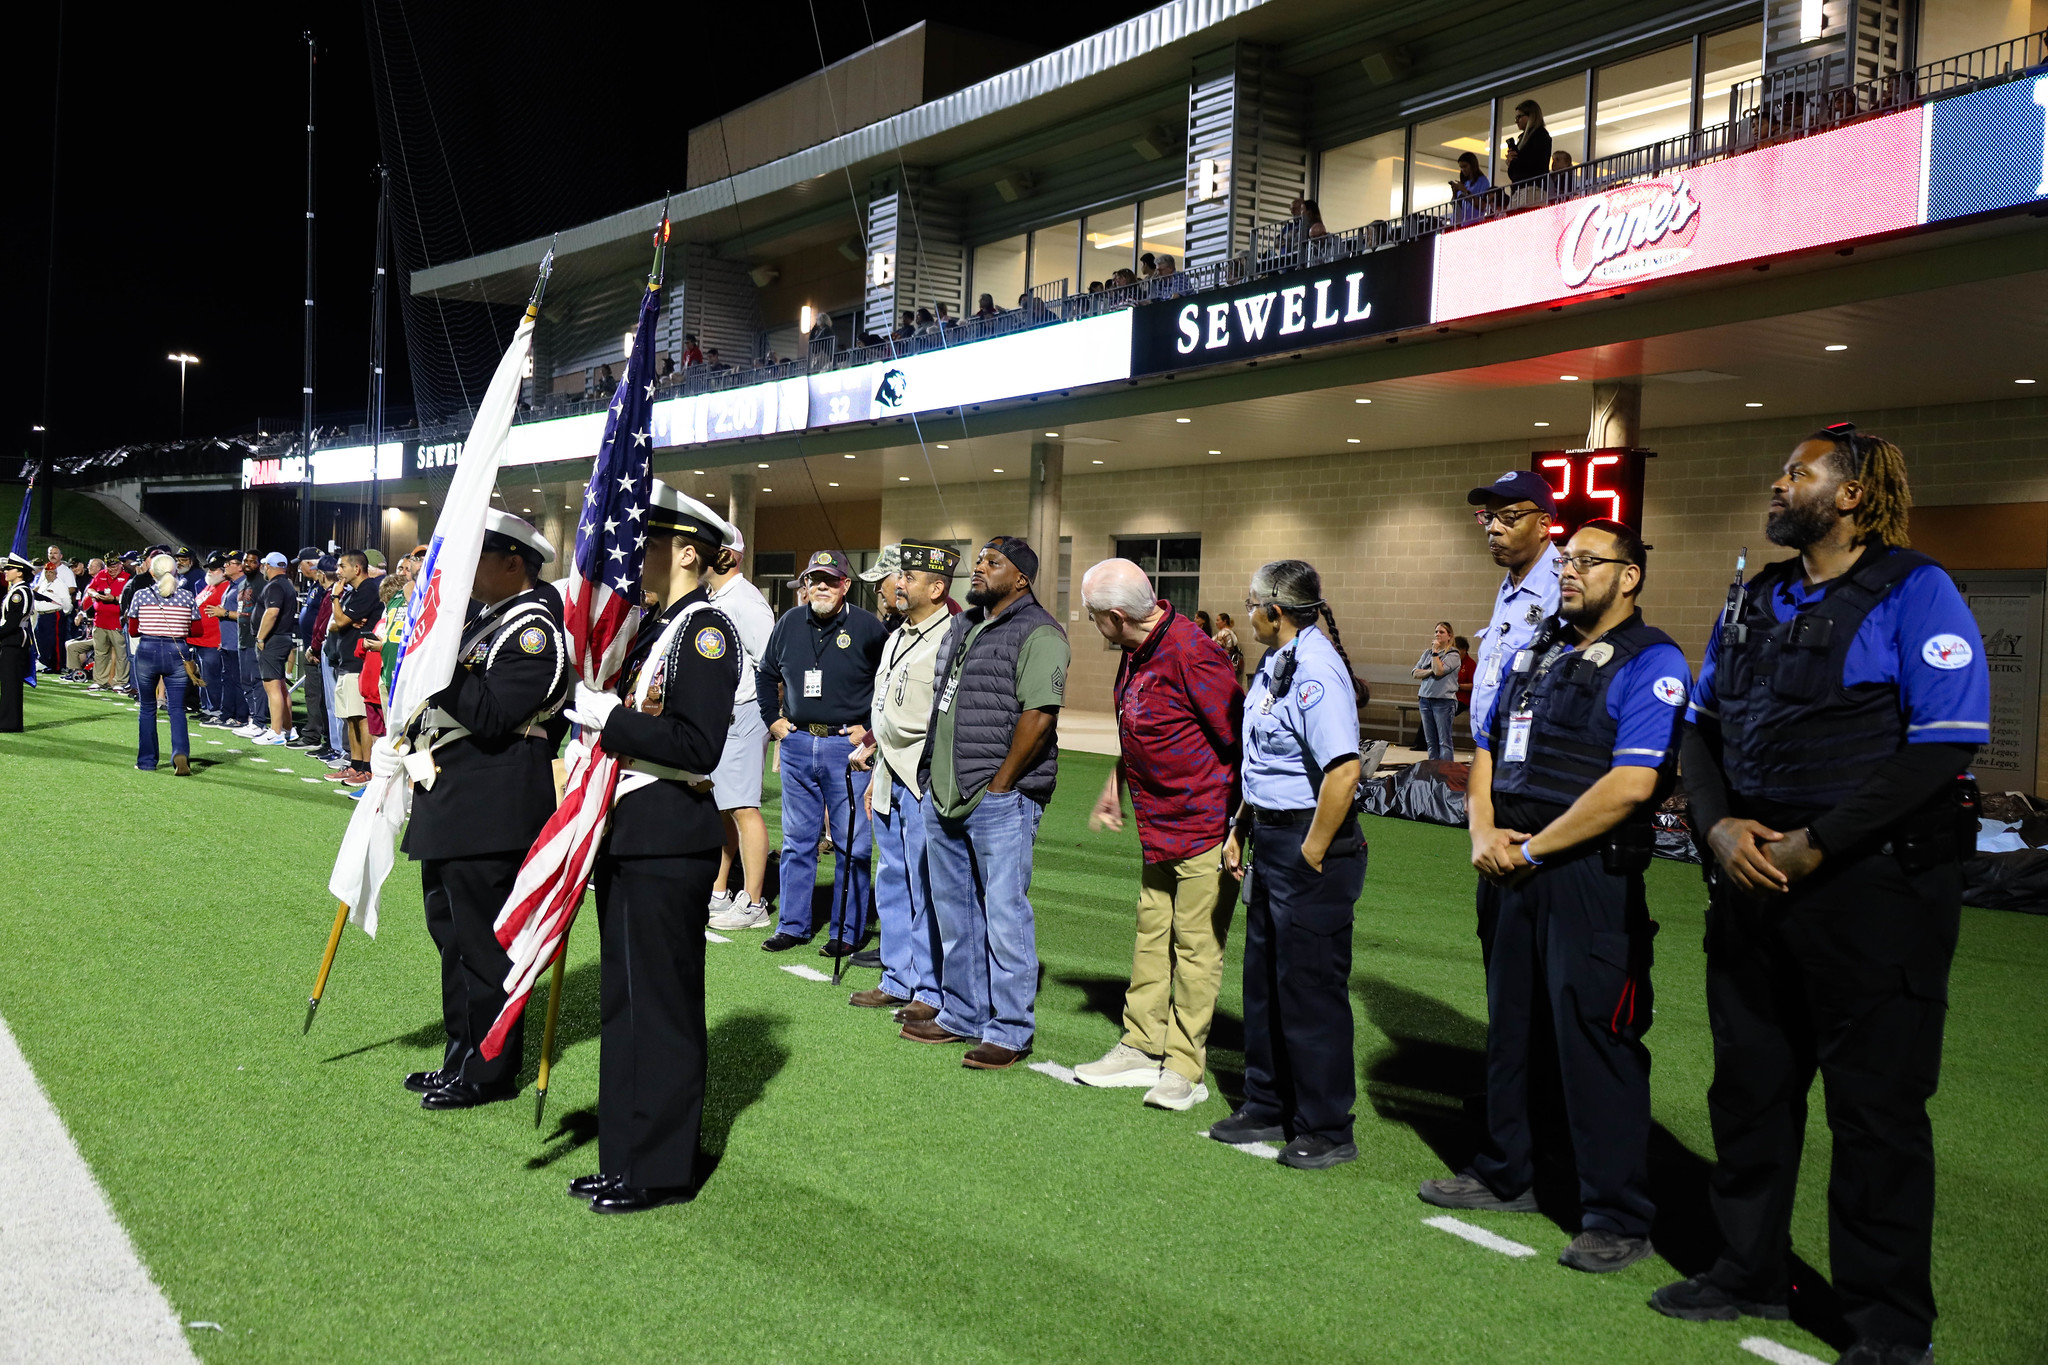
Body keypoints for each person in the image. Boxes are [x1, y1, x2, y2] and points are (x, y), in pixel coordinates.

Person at [1651, 427, 1988, 1365]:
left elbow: (1944, 741)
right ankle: (1744, 1267)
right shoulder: (1755, 597)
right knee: (1750, 1091)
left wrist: (1820, 842)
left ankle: (1887, 1324)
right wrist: (1717, 827)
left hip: (1877, 895)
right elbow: (1702, 729)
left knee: (1876, 1112)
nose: (1777, 481)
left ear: (1850, 496)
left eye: (1797, 471)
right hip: (1753, 883)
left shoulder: (1917, 589)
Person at [1420, 519, 1685, 1274]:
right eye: (1565, 560)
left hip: (1584, 876)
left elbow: (1632, 783)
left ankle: (1615, 1212)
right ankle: (1508, 1172)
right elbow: (1487, 745)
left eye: (1585, 561)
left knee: (1596, 1039)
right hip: (1508, 865)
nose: (1567, 571)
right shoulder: (1536, 649)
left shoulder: (1652, 658)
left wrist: (1530, 848)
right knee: (1512, 1027)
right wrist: (1482, 831)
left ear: (1629, 575)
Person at [561, 482, 741, 1213]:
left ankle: (661, 1168)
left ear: (689, 552)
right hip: (633, 835)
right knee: (623, 1004)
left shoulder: (707, 631)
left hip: (669, 836)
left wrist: (615, 721)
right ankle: (624, 1154)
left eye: (654, 542)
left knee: (661, 1006)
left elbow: (699, 747)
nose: (639, 553)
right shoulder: (656, 629)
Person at [382, 511, 569, 1110]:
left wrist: (440, 655)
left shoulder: (535, 629)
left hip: (492, 805)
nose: (465, 573)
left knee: (484, 947)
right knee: (452, 938)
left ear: (512, 562)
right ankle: (459, 1057)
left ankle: (488, 1072)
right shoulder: (488, 621)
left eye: (477, 558)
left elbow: (492, 717)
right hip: (453, 799)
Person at [1206, 560, 1365, 1169]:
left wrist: (1312, 852)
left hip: (1307, 840)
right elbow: (1266, 761)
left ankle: (1326, 1125)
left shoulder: (1316, 669)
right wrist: (1241, 827)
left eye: (1252, 603)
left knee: (1310, 990)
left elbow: (1343, 771)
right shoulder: (1279, 661)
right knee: (1267, 983)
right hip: (1273, 835)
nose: (1246, 613)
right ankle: (1268, 1103)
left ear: (1276, 610)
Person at [1075, 559, 1243, 1110]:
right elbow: (1141, 727)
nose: (1094, 624)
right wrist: (1115, 783)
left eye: (1095, 616)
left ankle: (1184, 1068)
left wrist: (1238, 826)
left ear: (1117, 616)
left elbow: (1239, 741)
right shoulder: (1135, 652)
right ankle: (1142, 1044)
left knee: (1196, 950)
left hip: (1203, 826)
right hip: (1157, 828)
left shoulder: (1194, 652)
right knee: (1151, 937)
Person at [902, 537, 1070, 1069]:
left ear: (1020, 578)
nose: (979, 569)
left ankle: (1012, 1029)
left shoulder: (1039, 630)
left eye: (992, 564)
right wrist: (931, 774)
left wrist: (1001, 785)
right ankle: (962, 1013)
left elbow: (1040, 714)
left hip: (1000, 798)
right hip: (946, 793)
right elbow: (944, 707)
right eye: (978, 561)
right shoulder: (965, 623)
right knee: (956, 913)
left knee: (1003, 915)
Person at [847, 541, 961, 1016]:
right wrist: (876, 761)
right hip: (890, 773)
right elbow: (887, 709)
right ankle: (897, 977)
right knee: (892, 879)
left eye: (909, 578)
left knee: (926, 884)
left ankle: (931, 989)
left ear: (937, 588)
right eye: (901, 576)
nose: (898, 583)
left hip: (925, 778)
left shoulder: (954, 637)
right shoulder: (897, 634)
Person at [754, 549, 886, 955]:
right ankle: (793, 925)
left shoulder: (868, 627)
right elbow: (766, 674)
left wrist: (871, 735)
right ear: (806, 585)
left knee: (853, 844)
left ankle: (847, 932)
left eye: (831, 579)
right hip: (796, 745)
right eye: (815, 579)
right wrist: (772, 720)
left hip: (846, 749)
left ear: (846, 585)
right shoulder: (790, 622)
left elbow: (888, 685)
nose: (822, 586)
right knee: (796, 840)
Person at [1466, 469, 1564, 969]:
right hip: (1497, 780)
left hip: (1541, 793)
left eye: (1509, 517)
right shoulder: (1510, 586)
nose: (1493, 529)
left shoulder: (1566, 586)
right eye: (1489, 518)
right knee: (1500, 946)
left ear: (1545, 524)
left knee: (1542, 953)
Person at [704, 526, 779, 932]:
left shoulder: (745, 601)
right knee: (723, 805)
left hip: (744, 712)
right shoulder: (720, 598)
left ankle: (753, 901)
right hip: (726, 712)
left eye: (709, 549)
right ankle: (719, 891)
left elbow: (770, 663)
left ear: (728, 556)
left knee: (743, 807)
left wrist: (766, 715)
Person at [127, 553, 200, 775]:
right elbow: (197, 630)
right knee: (177, 708)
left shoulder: (140, 595)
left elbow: (132, 629)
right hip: (177, 651)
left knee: (148, 707)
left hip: (148, 651)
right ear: (176, 571)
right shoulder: (187, 597)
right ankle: (180, 752)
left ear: (152, 573)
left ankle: (147, 761)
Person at [329, 551, 384, 785]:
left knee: (360, 717)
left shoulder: (369, 590)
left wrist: (335, 599)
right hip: (346, 660)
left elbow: (339, 621)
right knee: (350, 717)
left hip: (359, 662)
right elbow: (335, 624)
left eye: (342, 566)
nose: (338, 571)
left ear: (357, 568)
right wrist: (344, 619)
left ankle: (367, 769)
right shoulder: (354, 593)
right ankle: (355, 765)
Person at [250, 552, 299, 746]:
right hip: (281, 638)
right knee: (280, 687)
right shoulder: (286, 584)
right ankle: (287, 729)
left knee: (272, 688)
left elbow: (271, 613)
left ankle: (276, 731)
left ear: (268, 566)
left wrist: (261, 637)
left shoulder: (275, 585)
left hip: (273, 640)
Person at [189, 552, 230, 721]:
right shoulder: (210, 586)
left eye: (214, 569)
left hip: (213, 640)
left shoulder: (226, 587)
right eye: (210, 568)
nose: (210, 572)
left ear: (223, 570)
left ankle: (216, 710)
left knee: (213, 677)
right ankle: (206, 707)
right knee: (203, 676)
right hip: (200, 639)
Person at [84, 554, 133, 693]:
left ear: (120, 565)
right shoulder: (101, 575)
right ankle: (100, 681)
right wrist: (93, 594)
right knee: (100, 652)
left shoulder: (128, 577)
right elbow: (90, 588)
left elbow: (128, 598)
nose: (111, 570)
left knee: (121, 653)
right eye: (109, 567)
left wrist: (114, 598)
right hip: (99, 621)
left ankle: (120, 681)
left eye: (114, 566)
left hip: (116, 621)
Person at [1, 554, 39, 731]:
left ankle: (10, 723)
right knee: (8, 682)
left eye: (10, 569)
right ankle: (8, 720)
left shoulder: (20, 593)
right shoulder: (17, 590)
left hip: (14, 640)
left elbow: (13, 623)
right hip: (12, 639)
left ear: (20, 572)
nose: (6, 571)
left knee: (11, 683)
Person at [1412, 621, 1460, 761]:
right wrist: (1429, 671)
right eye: (1436, 632)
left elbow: (1439, 671)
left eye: (1441, 632)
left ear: (1449, 636)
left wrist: (1435, 653)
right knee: (1431, 742)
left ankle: (1446, 775)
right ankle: (1433, 773)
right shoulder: (1427, 653)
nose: (1437, 634)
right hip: (1425, 699)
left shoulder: (1453, 654)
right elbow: (1415, 673)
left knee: (1444, 742)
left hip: (1443, 701)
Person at [1504, 100, 1554, 201]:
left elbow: (1532, 163)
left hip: (1532, 188)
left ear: (1531, 116)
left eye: (1519, 117)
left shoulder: (1540, 136)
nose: (1516, 121)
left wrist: (1515, 161)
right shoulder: (1524, 139)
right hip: (1520, 189)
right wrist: (1512, 162)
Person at [1451, 151, 1493, 225]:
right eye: (1461, 167)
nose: (1463, 170)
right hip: (1461, 223)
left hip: (1475, 222)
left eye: (1465, 166)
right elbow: (1456, 206)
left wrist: (1465, 191)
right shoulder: (1465, 183)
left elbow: (1482, 205)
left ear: (1472, 165)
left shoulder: (1483, 181)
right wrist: (1455, 192)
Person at [1214, 611, 1244, 683]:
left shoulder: (1223, 634)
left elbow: (1215, 649)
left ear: (1224, 621)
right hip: (1229, 665)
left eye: (1218, 620)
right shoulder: (1231, 633)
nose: (1216, 622)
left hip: (1221, 664)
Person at [1455, 635, 1476, 717]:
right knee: (1430, 711)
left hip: (1462, 699)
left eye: (1456, 650)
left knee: (1442, 713)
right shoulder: (1451, 662)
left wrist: (1458, 686)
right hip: (1448, 697)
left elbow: (1473, 685)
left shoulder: (1470, 664)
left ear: (1464, 650)